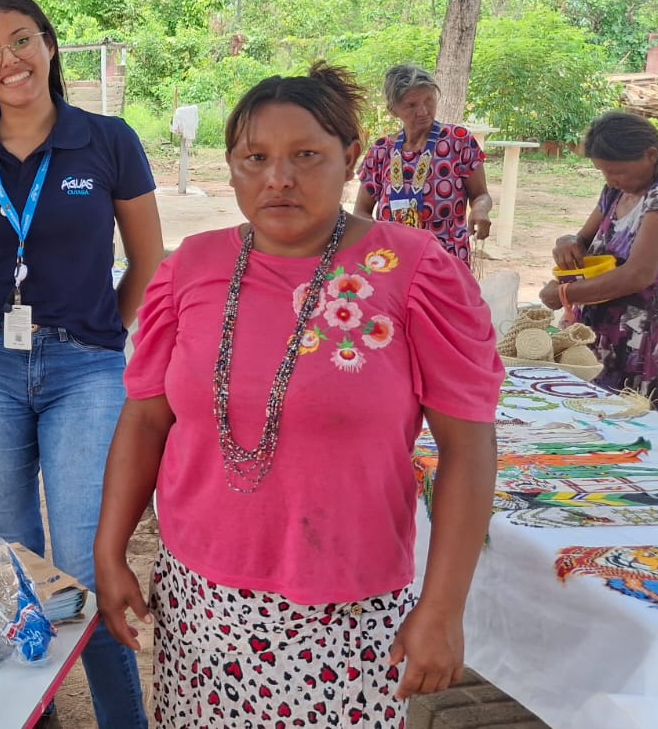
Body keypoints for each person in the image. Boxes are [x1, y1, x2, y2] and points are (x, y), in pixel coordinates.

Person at [96, 64, 501, 727]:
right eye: (255, 158)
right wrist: (110, 552)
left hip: (347, 612)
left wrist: (443, 608)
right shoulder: (190, 267)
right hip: (199, 602)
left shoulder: (416, 272)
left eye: (306, 155)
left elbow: (469, 446)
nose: (278, 178)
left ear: (352, 158)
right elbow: (145, 419)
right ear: (232, 167)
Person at [0, 0, 163, 728]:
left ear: (50, 44)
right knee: (12, 564)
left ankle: (123, 720)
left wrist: (99, 332)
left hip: (86, 370)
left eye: (21, 40)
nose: (9, 60)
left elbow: (148, 260)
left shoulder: (108, 140)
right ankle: (38, 716)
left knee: (89, 565)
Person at [538, 110, 658, 417]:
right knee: (590, 420)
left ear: (650, 155)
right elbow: (585, 239)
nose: (611, 179)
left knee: (632, 426)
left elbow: (637, 275)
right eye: (604, 172)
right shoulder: (617, 190)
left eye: (618, 171)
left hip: (641, 338)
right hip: (599, 330)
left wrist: (564, 294)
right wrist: (567, 242)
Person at [355, 63, 492, 262]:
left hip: (446, 260)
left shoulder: (458, 141)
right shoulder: (381, 150)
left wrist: (480, 209)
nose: (423, 111)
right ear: (393, 110)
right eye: (411, 105)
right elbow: (361, 211)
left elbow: (481, 195)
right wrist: (378, 241)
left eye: (429, 100)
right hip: (393, 260)